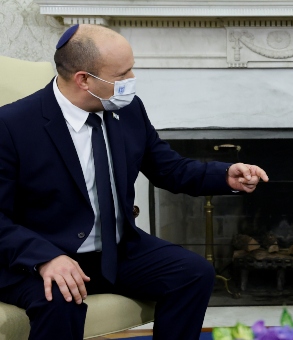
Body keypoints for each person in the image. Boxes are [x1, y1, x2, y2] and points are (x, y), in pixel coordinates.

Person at [0, 24, 269, 339]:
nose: (131, 82)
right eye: (121, 74)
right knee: (61, 299)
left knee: (193, 273)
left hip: (114, 252)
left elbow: (168, 168)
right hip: (35, 257)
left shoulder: (127, 111)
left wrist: (225, 176)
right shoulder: (12, 126)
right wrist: (45, 258)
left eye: (132, 70)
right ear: (83, 79)